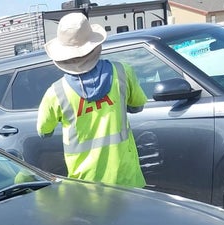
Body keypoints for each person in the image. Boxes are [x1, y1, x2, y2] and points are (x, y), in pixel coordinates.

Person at [36, 12, 148, 187]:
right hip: (127, 177)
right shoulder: (122, 72)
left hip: (85, 184)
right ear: (95, 46)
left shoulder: (56, 92)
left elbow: (44, 131)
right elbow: (137, 106)